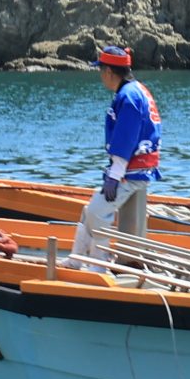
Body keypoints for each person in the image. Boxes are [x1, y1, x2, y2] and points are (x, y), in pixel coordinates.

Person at [71, 44, 161, 265]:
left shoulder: (128, 97)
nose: (101, 76)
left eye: (101, 70)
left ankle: (98, 264)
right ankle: (75, 261)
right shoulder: (137, 89)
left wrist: (114, 175)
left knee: (96, 213)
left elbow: (126, 138)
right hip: (139, 169)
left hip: (130, 171)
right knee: (88, 212)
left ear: (109, 72)